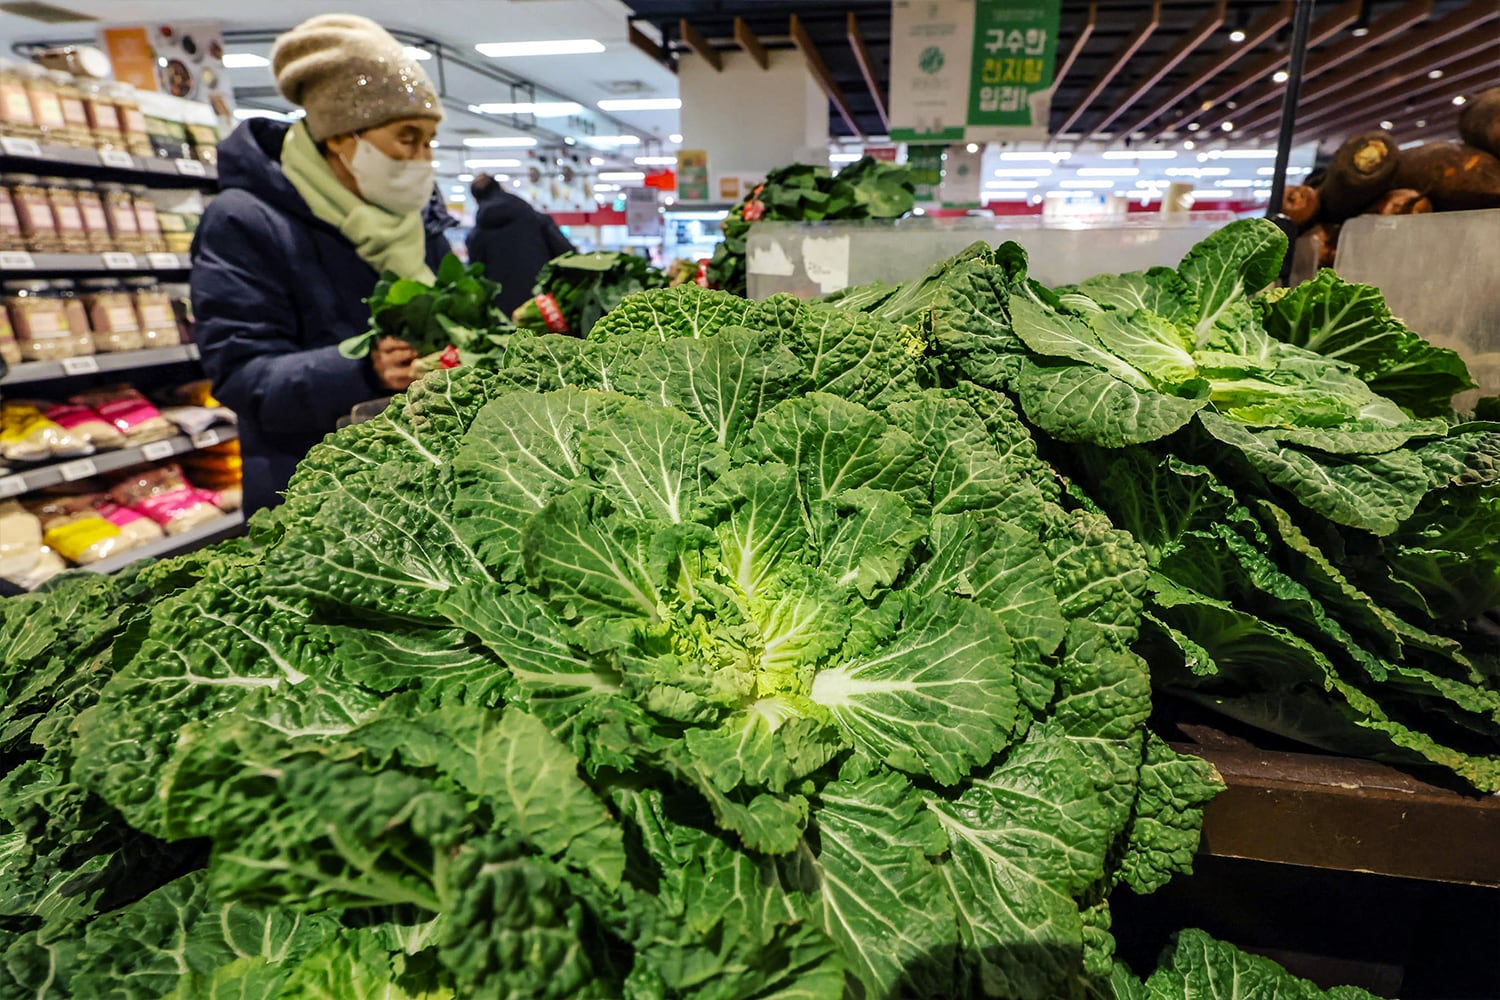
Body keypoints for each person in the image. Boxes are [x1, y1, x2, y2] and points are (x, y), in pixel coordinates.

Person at [190, 14, 453, 515]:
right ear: (340, 135)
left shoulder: (418, 221)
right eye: (407, 138)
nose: (423, 159)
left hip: (418, 481)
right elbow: (242, 374)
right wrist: (362, 367)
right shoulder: (245, 220)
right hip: (311, 495)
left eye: (429, 141)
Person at [466, 173, 575, 315]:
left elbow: (477, 279)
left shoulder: (476, 236)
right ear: (501, 188)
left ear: (476, 200)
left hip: (504, 314)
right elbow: (567, 254)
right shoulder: (536, 219)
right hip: (545, 308)